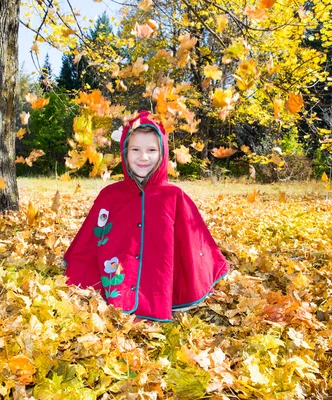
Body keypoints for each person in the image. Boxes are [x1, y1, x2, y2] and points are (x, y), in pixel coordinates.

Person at [64, 110, 229, 322]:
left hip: (160, 284)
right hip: (116, 283)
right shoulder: (110, 196)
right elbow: (90, 241)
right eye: (135, 149)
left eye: (152, 150)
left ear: (163, 152)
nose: (143, 157)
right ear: (124, 152)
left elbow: (193, 242)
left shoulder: (174, 196)